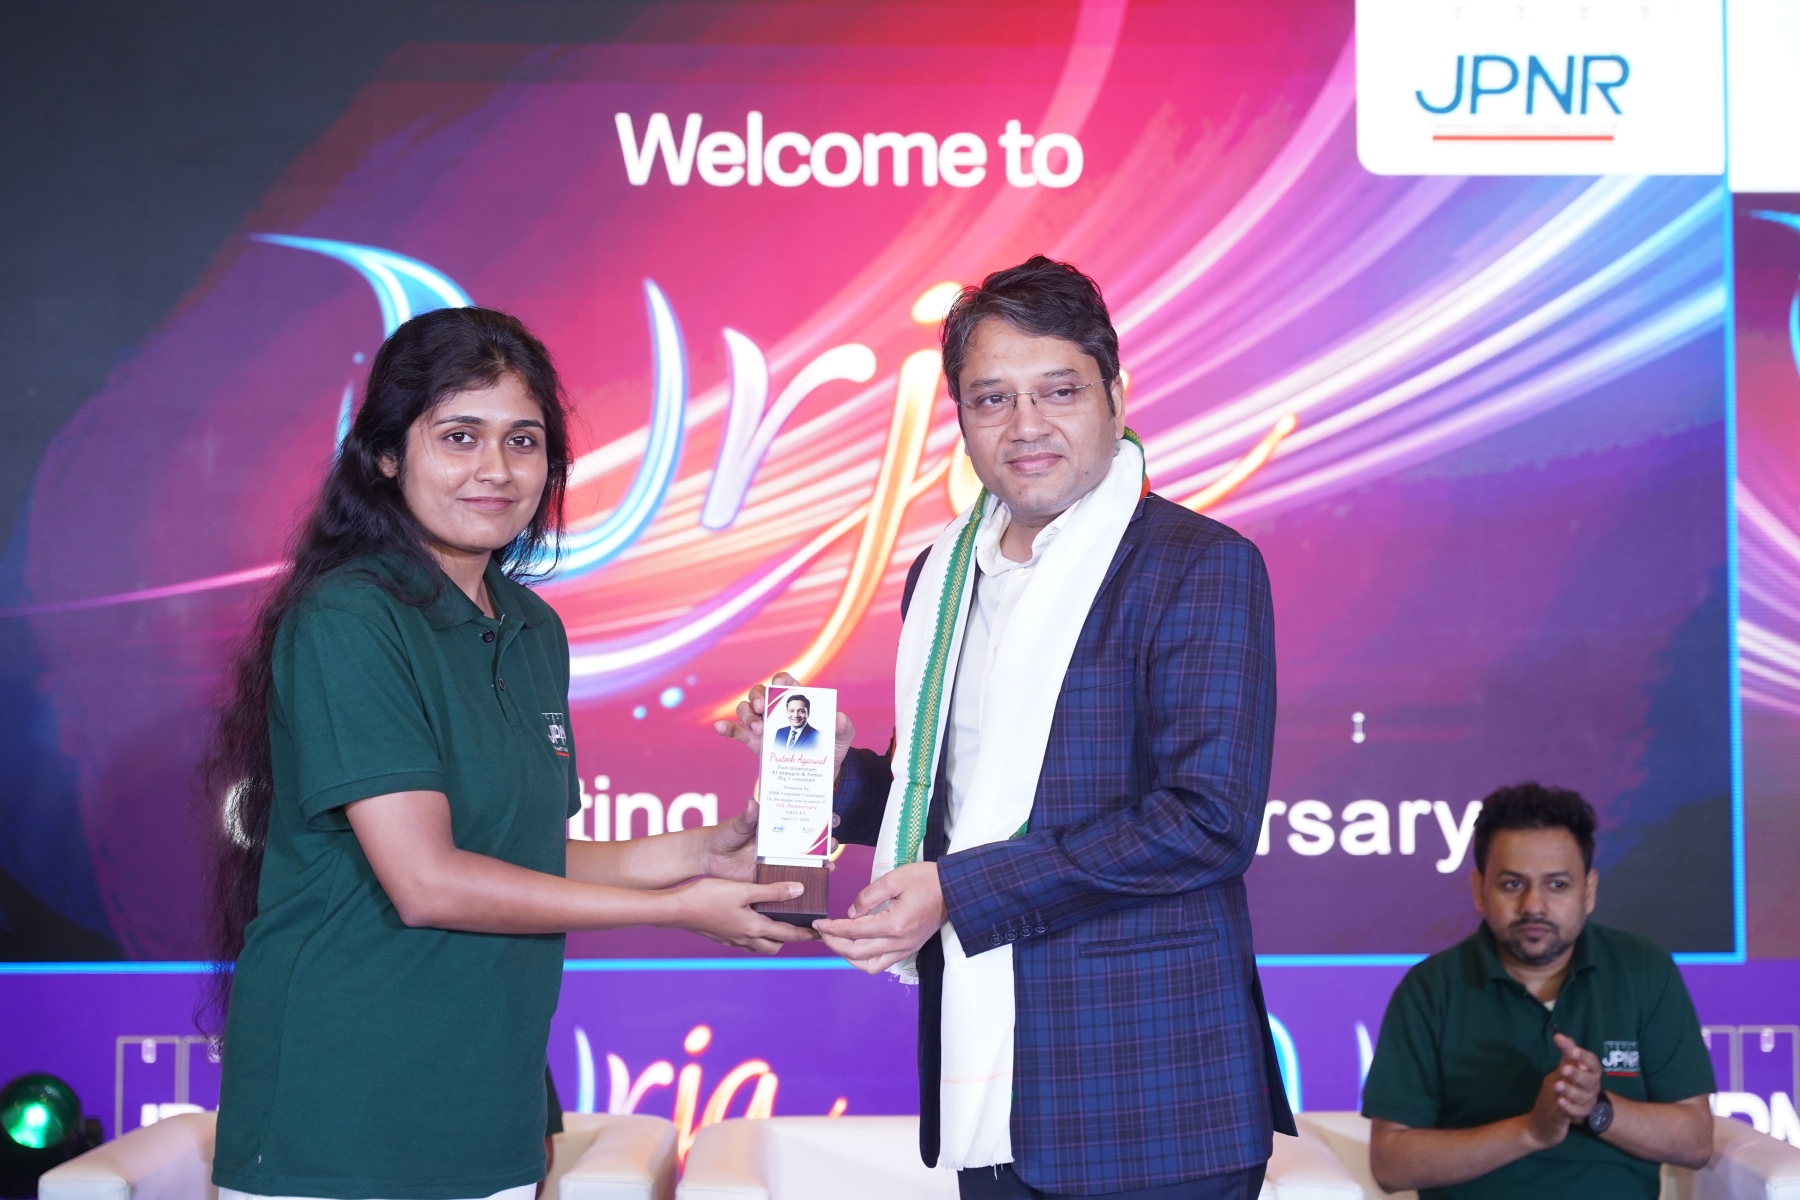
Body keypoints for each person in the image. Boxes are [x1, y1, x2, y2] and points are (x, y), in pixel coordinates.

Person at [202, 307, 814, 1200]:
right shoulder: (350, 617)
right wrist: (675, 908)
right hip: (342, 1109)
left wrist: (700, 851)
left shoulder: (531, 626)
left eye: (522, 441)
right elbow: (429, 882)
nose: (495, 468)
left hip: (489, 1099)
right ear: (387, 455)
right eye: (460, 436)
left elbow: (523, 855)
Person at [718, 256, 1293, 1199]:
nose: (1026, 425)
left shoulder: (1198, 564)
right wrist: (830, 776)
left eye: (1059, 390)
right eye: (992, 399)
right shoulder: (942, 573)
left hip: (1154, 1100)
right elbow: (949, 803)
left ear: (1115, 395)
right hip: (992, 1087)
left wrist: (956, 892)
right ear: (961, 418)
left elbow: (1206, 822)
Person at [1361, 783, 1717, 1199]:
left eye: (1557, 885)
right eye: (1513, 884)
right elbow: (1390, 1164)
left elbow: (1695, 1141)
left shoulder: (1644, 969)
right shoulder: (1430, 989)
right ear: (1479, 890)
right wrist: (1531, 1130)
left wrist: (1595, 1108)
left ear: (1589, 891)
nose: (1534, 905)